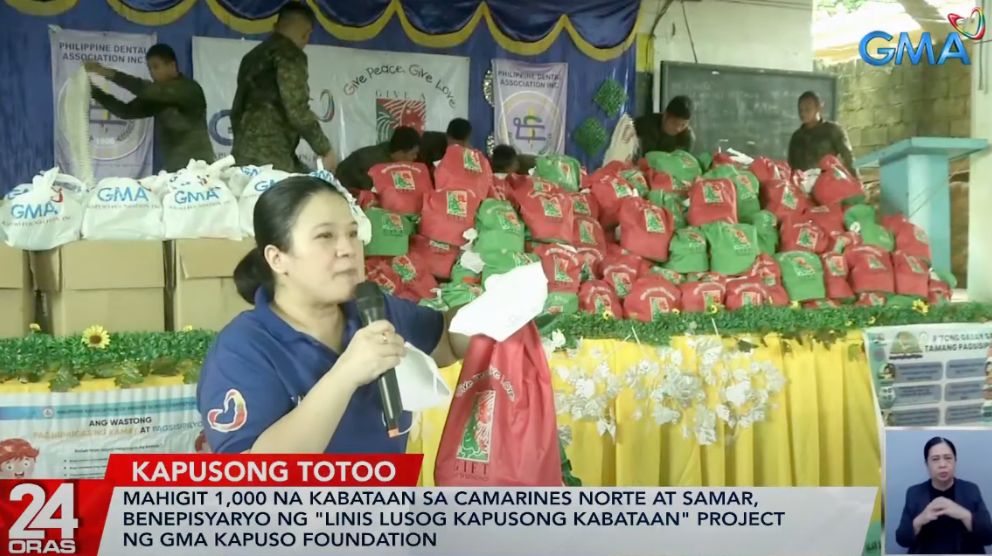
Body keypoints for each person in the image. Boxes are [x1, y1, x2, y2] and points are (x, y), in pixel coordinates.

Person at [197, 175, 469, 454]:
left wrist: (498, 310)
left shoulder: (375, 310)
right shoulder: (242, 349)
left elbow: (446, 340)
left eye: (353, 234)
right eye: (325, 236)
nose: (348, 249)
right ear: (277, 258)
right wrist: (345, 374)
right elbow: (251, 479)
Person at [230, 3, 336, 173]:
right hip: (272, 153)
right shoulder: (290, 55)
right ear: (307, 33)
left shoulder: (251, 57)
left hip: (242, 152)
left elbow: (237, 109)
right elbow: (296, 109)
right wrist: (324, 149)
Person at [85, 44, 215, 172]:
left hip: (201, 168)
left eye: (156, 67)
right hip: (175, 170)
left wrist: (105, 72)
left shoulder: (188, 89)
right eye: (150, 68)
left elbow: (143, 88)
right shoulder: (158, 97)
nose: (152, 72)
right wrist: (95, 93)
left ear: (172, 66)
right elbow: (126, 111)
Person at [895, 437, 992, 554]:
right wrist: (920, 519)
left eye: (948, 458)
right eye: (935, 459)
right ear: (927, 464)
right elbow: (902, 540)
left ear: (955, 461)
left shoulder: (971, 490)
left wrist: (964, 514)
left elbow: (988, 536)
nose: (942, 464)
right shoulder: (914, 493)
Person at [787, 91, 856, 174]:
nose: (803, 113)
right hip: (802, 183)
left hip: (827, 182)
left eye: (807, 109)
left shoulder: (832, 130)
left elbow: (848, 158)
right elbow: (791, 166)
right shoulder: (796, 137)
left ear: (819, 108)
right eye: (800, 110)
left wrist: (856, 181)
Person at [334, 127, 420, 191]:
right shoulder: (372, 164)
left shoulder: (392, 152)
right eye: (413, 154)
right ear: (400, 152)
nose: (415, 157)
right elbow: (371, 192)